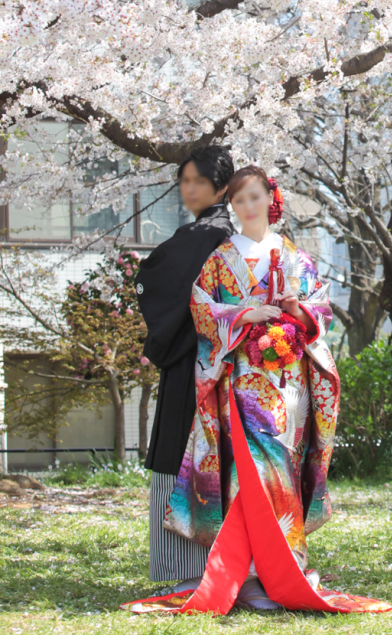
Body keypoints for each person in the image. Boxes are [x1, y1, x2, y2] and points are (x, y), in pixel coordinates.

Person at [126, 165, 389, 617]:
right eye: (239, 200)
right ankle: (246, 576)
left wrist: (295, 314)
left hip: (288, 388)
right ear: (232, 206)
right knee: (244, 476)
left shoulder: (294, 256)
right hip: (241, 384)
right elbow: (202, 310)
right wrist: (244, 315)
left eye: (255, 197)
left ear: (271, 198)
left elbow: (319, 308)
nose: (248, 207)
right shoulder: (221, 258)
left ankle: (283, 570)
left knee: (281, 475)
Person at [135, 144, 235, 591]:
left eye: (198, 181)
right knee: (217, 460)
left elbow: (155, 276)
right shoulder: (222, 234)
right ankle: (222, 567)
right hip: (222, 365)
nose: (188, 189)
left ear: (222, 187)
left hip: (192, 363)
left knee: (181, 454)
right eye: (185, 180)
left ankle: (183, 571)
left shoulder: (204, 235)